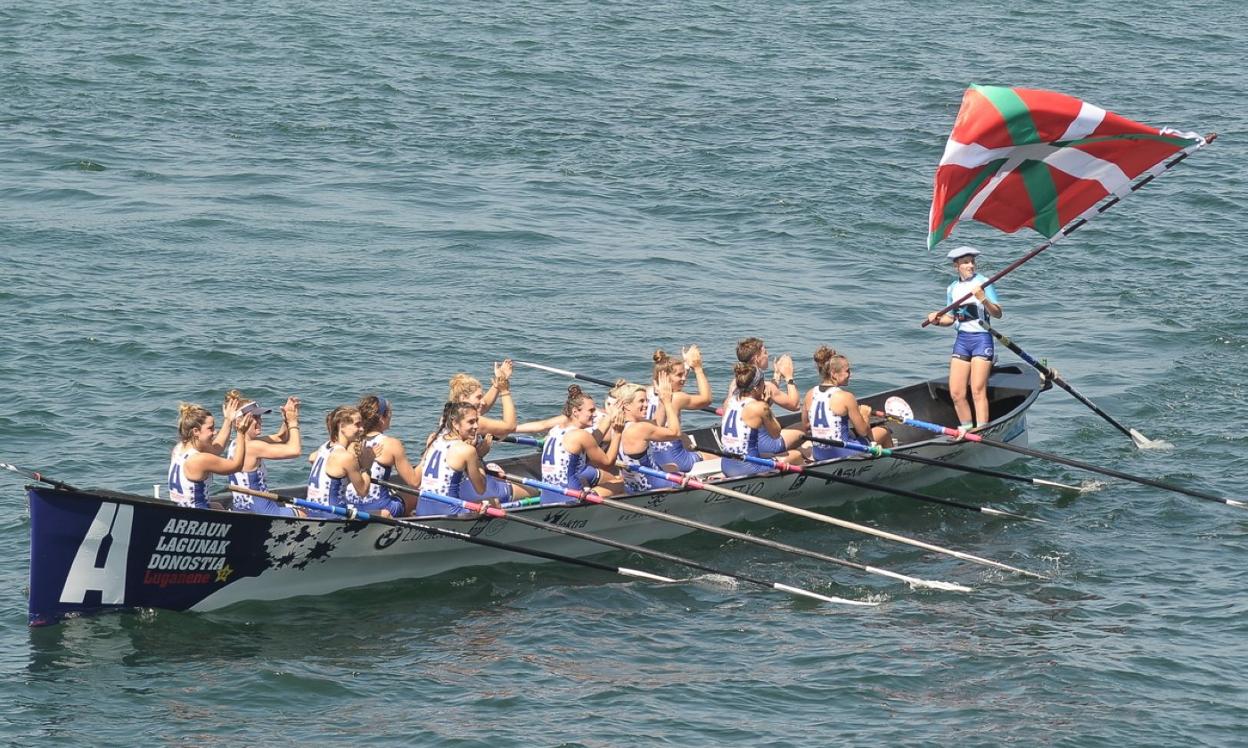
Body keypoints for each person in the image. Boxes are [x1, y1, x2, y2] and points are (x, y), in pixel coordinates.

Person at [926, 246, 1003, 429]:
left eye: (972, 262)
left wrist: (983, 299)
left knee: (977, 390)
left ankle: (983, 429)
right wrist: (937, 320)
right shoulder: (952, 288)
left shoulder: (984, 282)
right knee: (957, 392)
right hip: (962, 340)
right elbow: (951, 319)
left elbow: (998, 313)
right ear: (956, 266)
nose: (971, 265)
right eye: (966, 262)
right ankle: (967, 428)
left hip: (982, 339)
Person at [445, 361, 536, 502]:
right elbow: (510, 426)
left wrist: (499, 383)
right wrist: (505, 391)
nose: (482, 402)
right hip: (468, 484)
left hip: (455, 480)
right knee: (533, 491)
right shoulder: (476, 423)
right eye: (478, 397)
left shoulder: (452, 416)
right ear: (463, 398)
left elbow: (484, 405)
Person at [527, 385, 625, 503]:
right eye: (591, 410)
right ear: (575, 412)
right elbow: (608, 463)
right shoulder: (580, 435)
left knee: (594, 475)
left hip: (547, 496)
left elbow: (593, 440)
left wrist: (609, 417)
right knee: (619, 483)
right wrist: (618, 433)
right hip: (571, 497)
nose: (595, 414)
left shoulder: (555, 430)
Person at [802, 347, 893, 461]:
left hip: (819, 453)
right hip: (842, 453)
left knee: (850, 433)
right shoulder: (846, 397)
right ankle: (891, 465)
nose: (851, 374)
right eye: (847, 371)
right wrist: (865, 415)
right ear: (834, 374)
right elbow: (863, 431)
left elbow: (806, 427)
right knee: (883, 431)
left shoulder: (809, 394)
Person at [168, 396, 253, 510]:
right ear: (196, 431)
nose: (215, 432)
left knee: (217, 506)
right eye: (210, 428)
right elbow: (236, 466)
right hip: (196, 517)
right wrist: (241, 433)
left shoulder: (179, 448)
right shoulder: (199, 459)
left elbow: (217, 449)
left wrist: (228, 420)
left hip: (181, 509)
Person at [719, 363, 804, 478]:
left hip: (726, 464)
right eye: (763, 382)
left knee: (765, 454)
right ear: (756, 387)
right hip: (749, 468)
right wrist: (766, 406)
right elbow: (776, 434)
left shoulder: (728, 402)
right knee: (796, 455)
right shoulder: (759, 407)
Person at [228, 394, 306, 517]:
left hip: (242, 508)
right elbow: (295, 451)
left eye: (260, 417)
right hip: (263, 511)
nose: (260, 420)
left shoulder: (236, 443)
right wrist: (293, 421)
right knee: (304, 513)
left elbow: (280, 437)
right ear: (239, 421)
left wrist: (286, 418)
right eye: (255, 417)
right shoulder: (253, 447)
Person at [345, 395, 419, 516]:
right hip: (379, 507)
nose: (391, 416)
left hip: (350, 504)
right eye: (389, 413)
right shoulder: (391, 444)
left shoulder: (351, 444)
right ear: (382, 418)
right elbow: (414, 481)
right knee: (414, 494)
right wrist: (427, 457)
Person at [414, 401, 491, 516]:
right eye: (471, 422)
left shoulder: (433, 438)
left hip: (422, 509)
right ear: (455, 423)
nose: (476, 426)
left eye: (476, 421)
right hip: (448, 511)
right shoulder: (467, 450)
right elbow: (481, 489)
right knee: (494, 502)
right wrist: (479, 457)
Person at [646, 346, 714, 471]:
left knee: (684, 438)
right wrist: (698, 368)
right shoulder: (677, 398)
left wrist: (687, 365)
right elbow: (706, 399)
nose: (684, 379)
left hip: (656, 457)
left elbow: (674, 382)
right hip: (677, 459)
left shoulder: (649, 392)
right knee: (716, 458)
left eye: (684, 374)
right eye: (679, 375)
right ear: (666, 378)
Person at [614, 379, 683, 493]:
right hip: (654, 486)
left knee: (672, 467)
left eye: (646, 400)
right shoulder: (640, 428)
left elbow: (657, 424)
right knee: (691, 478)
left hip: (631, 487)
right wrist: (668, 403)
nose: (646, 404)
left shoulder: (616, 425)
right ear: (626, 405)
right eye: (641, 401)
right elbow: (676, 433)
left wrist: (661, 400)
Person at [307, 406, 375, 516]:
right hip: (334, 516)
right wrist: (367, 467)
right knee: (385, 514)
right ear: (342, 426)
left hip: (313, 512)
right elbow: (362, 492)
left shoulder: (324, 447)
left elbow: (311, 458)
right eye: (357, 424)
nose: (362, 429)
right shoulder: (346, 457)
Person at [725, 337, 800, 412]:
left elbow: (764, 401)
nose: (767, 355)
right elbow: (795, 405)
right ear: (756, 358)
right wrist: (789, 377)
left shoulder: (735, 383)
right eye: (765, 353)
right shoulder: (766, 387)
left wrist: (777, 375)